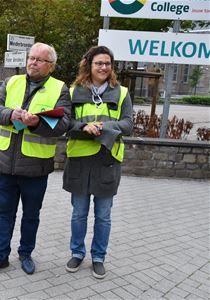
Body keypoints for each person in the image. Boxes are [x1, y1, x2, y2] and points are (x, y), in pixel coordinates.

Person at [0, 43, 71, 277]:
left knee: (31, 215)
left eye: (39, 60)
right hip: (6, 164)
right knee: (4, 213)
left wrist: (37, 123)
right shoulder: (12, 82)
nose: (33, 62)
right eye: (31, 58)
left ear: (50, 66)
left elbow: (62, 125)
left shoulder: (60, 88)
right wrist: (11, 114)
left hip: (35, 168)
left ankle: (25, 253)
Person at [63, 45, 133, 279]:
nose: (103, 67)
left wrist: (104, 127)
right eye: (98, 63)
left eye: (107, 63)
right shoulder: (73, 92)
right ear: (89, 65)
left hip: (107, 160)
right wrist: (83, 127)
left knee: (103, 215)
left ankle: (99, 257)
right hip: (80, 159)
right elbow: (65, 123)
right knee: (78, 214)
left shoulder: (121, 93)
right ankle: (77, 252)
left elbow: (128, 125)